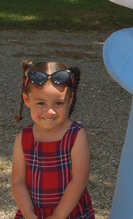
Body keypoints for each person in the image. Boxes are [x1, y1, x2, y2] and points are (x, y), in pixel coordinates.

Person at [12, 61, 95, 219]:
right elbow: (18, 181)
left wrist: (58, 216)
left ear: (70, 100)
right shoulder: (24, 138)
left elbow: (79, 180)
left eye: (58, 103)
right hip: (32, 212)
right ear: (27, 99)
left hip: (68, 212)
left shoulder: (76, 135)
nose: (49, 111)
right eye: (41, 103)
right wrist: (28, 214)